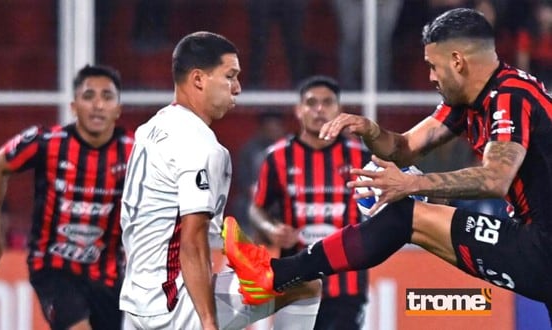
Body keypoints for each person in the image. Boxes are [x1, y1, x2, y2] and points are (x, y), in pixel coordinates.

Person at [222, 7, 552, 322]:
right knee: (404, 217)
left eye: (434, 66)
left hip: (543, 246)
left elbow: (496, 178)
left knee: (405, 216)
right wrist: (370, 129)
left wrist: (413, 185)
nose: (431, 76)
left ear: (458, 61)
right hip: (533, 238)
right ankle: (273, 274)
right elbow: (404, 148)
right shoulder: (473, 98)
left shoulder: (510, 97)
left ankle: (273, 274)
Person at [118, 31, 321, 330]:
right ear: (199, 79)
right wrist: (208, 322)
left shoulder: (150, 128)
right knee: (307, 286)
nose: (238, 88)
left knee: (299, 282)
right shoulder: (201, 145)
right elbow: (192, 243)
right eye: (230, 76)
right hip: (174, 304)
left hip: (137, 298)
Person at [0, 64, 133, 330]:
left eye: (107, 97)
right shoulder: (48, 142)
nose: (97, 105)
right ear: (73, 106)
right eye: (88, 96)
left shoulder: (135, 151)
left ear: (118, 109)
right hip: (53, 267)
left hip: (107, 274)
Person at [249, 75, 371, 329]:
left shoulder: (361, 157)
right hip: (295, 284)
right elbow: (257, 208)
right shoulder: (277, 157)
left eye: (327, 103)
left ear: (339, 110)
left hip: (346, 283)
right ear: (298, 110)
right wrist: (272, 230)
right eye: (311, 102)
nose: (319, 109)